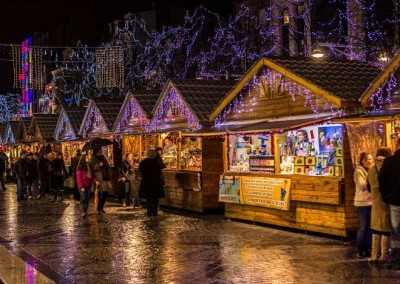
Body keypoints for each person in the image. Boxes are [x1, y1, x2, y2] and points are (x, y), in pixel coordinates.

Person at [367, 147, 392, 263]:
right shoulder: (389, 167)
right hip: (386, 200)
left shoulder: (371, 169)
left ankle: (373, 256)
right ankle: (384, 256)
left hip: (375, 201)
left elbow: (368, 186)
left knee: (376, 229)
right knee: (386, 230)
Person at [379, 138, 400, 269]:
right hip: (393, 200)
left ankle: (397, 260)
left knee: (396, 233)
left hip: (394, 202)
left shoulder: (389, 162)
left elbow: (381, 182)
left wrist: (387, 197)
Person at [354, 152, 374, 259]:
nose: (371, 161)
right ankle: (360, 249)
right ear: (363, 161)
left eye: (372, 159)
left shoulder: (372, 170)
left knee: (370, 227)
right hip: (361, 203)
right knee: (363, 227)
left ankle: (368, 249)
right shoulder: (359, 171)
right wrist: (372, 182)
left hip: (371, 202)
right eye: (369, 159)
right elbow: (362, 186)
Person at [138, 148, 165, 216]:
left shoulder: (143, 162)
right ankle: (155, 212)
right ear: (154, 154)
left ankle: (149, 211)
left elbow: (140, 171)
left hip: (147, 182)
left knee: (148, 198)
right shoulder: (157, 162)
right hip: (156, 182)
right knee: (155, 198)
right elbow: (162, 167)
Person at [90, 147, 112, 214]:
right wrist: (98, 165)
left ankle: (101, 207)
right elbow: (91, 169)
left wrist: (109, 173)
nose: (101, 152)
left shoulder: (102, 157)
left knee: (106, 193)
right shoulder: (93, 159)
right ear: (97, 152)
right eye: (100, 151)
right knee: (100, 194)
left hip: (105, 177)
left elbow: (107, 165)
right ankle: (98, 208)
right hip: (98, 178)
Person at [76, 153, 93, 218]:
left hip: (88, 184)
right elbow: (78, 178)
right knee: (83, 198)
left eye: (88, 157)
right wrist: (81, 187)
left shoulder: (89, 166)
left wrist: (95, 180)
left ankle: (85, 212)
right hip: (82, 185)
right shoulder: (80, 167)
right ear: (83, 159)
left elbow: (92, 175)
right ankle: (83, 212)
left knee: (87, 198)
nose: (88, 158)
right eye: (86, 157)